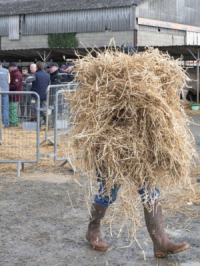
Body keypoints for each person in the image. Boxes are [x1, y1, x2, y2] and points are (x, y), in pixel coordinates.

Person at [86, 45, 190, 258]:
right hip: (111, 148)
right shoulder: (104, 82)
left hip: (139, 148)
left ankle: (160, 242)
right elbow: (92, 116)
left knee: (151, 190)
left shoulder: (144, 83)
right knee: (109, 192)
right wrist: (116, 112)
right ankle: (93, 229)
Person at [8, 62, 22, 127]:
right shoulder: (15, 74)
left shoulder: (16, 74)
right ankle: (15, 122)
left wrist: (6, 87)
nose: (9, 69)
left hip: (14, 95)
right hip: (14, 95)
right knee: (12, 109)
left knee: (12, 109)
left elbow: (15, 85)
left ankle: (13, 123)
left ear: (13, 67)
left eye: (9, 68)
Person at [0, 61, 10, 128]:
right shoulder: (6, 71)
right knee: (5, 108)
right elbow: (9, 81)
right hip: (5, 91)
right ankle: (6, 124)